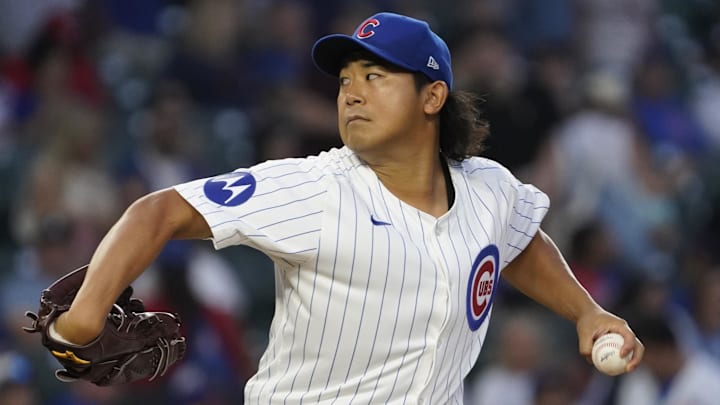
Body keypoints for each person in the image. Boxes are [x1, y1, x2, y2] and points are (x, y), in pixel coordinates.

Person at [47, 12, 644, 403]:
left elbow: (516, 240)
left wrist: (586, 313)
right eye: (345, 80)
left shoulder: (488, 187)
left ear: (432, 95)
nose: (351, 91)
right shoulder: (315, 188)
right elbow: (157, 211)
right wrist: (83, 317)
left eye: (376, 74)